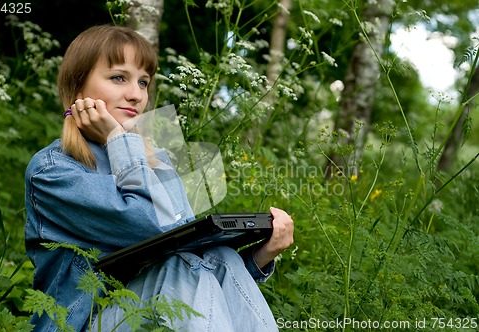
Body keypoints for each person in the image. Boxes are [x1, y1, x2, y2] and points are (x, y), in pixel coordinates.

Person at [24, 24, 294, 332]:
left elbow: (184, 248)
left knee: (220, 256)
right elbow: (151, 225)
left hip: (145, 309)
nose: (136, 95)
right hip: (78, 324)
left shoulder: (154, 159)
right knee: (182, 269)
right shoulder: (54, 171)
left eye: (143, 82)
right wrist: (117, 137)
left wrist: (259, 257)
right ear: (78, 88)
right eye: (118, 78)